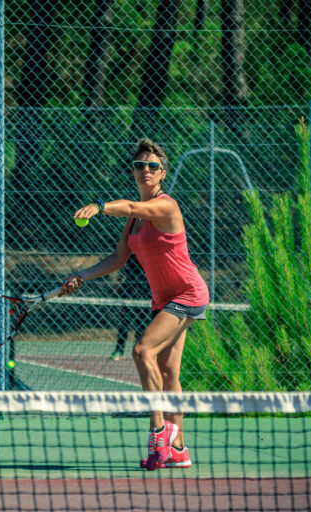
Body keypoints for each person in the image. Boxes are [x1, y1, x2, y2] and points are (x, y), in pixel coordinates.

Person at [60, 138, 209, 470]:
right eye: (140, 165)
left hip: (187, 293)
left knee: (142, 351)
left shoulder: (166, 206)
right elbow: (118, 258)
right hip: (163, 299)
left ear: (162, 173)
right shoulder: (132, 222)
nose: (146, 170)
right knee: (169, 371)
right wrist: (82, 276)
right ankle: (179, 450)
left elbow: (130, 207)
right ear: (133, 171)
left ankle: (158, 430)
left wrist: (100, 206)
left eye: (153, 166)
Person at [109, 255, 150, 360]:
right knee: (124, 321)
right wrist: (119, 281)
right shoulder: (131, 250)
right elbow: (121, 265)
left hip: (146, 288)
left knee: (142, 322)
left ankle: (139, 349)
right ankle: (119, 350)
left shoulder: (149, 253)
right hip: (129, 288)